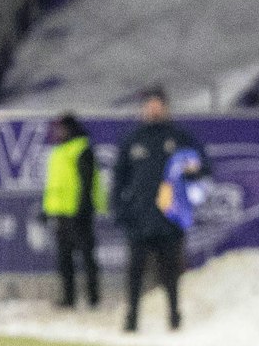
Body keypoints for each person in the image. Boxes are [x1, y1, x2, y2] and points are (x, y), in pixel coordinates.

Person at [113, 86, 208, 333]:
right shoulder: (133, 140)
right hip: (140, 220)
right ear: (143, 108)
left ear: (165, 108)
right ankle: (132, 318)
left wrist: (192, 172)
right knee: (135, 272)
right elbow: (118, 180)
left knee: (171, 272)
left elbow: (203, 166)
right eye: (149, 105)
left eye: (158, 104)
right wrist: (122, 212)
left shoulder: (178, 138)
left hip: (169, 220)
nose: (153, 109)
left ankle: (175, 316)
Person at [41, 112, 101, 310]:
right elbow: (54, 185)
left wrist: (83, 208)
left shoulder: (81, 149)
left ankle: (93, 298)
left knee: (86, 257)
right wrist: (46, 210)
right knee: (64, 258)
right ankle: (69, 297)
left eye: (61, 128)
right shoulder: (59, 151)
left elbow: (87, 182)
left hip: (79, 214)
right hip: (61, 215)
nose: (58, 132)